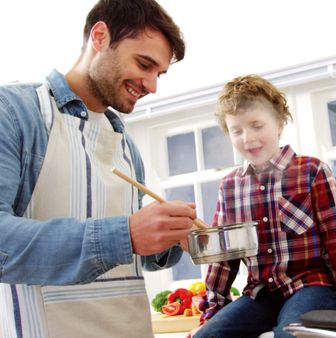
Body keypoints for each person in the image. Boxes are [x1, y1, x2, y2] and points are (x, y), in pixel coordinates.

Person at [0, 1, 192, 337]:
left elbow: (132, 258)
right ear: (100, 36)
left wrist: (168, 238)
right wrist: (125, 234)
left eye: (158, 74)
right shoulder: (16, 112)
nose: (152, 86)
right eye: (144, 64)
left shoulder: (125, 146)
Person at [191, 74, 336, 338]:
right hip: (260, 295)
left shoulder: (312, 171)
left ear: (279, 123)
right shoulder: (229, 186)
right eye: (237, 131)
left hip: (310, 287)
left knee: (290, 335)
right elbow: (224, 259)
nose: (248, 138)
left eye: (257, 125)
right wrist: (213, 312)